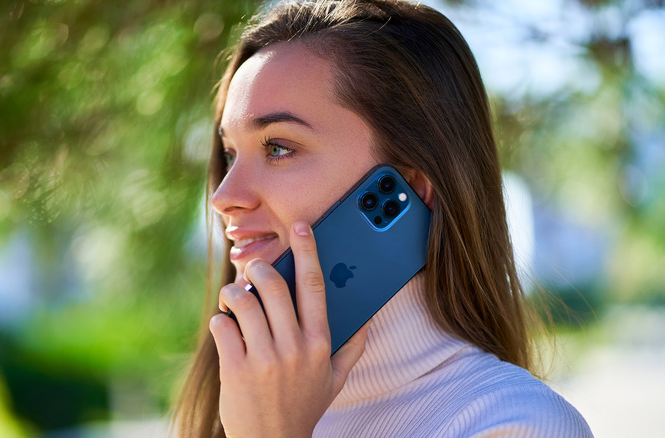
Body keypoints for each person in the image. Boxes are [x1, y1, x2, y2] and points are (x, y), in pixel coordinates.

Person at [173, 0, 593, 437]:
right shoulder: (231, 413)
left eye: (278, 147)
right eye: (230, 154)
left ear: (410, 187)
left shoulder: (517, 425)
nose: (224, 197)